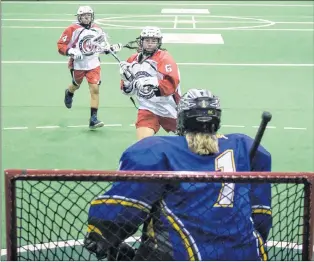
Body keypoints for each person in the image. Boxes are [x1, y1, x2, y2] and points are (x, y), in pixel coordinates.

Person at [83, 88, 272, 261]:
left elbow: (124, 208)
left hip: (179, 255)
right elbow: (260, 212)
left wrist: (101, 235)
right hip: (244, 254)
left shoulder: (158, 150)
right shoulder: (243, 146)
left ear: (181, 119)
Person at [57, 6, 122, 129]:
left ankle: (93, 119)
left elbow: (101, 47)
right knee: (76, 85)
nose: (86, 18)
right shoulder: (72, 29)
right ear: (79, 17)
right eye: (83, 16)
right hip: (78, 64)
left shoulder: (97, 29)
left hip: (93, 64)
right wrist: (70, 51)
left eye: (89, 15)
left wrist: (111, 49)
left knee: (95, 89)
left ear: (92, 17)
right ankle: (69, 92)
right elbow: (60, 45)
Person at [119, 26, 181, 140]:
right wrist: (127, 81)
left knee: (194, 141)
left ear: (159, 42)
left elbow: (171, 86)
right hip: (147, 108)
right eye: (147, 40)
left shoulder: (164, 58)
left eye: (154, 41)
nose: (150, 44)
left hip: (169, 108)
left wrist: (151, 82)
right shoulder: (132, 61)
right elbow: (127, 91)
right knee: (143, 145)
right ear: (141, 41)